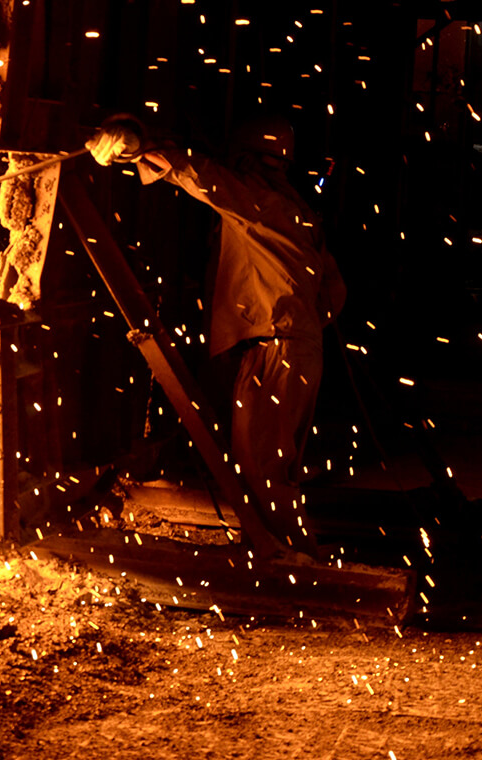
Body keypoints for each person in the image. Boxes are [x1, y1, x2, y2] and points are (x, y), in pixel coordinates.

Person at [87, 114, 347, 548]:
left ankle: (286, 562)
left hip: (274, 347)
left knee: (261, 468)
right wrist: (296, 326)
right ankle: (285, 553)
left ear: (245, 158)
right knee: (276, 466)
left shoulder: (257, 199)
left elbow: (206, 178)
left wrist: (141, 150)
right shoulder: (299, 211)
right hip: (299, 349)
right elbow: (334, 293)